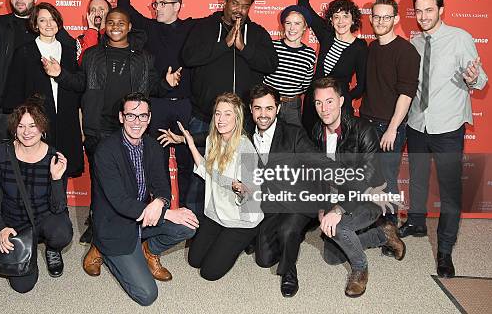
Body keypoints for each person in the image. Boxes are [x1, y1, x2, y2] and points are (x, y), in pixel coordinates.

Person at [41, 7, 181, 243]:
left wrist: (167, 84)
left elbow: (153, 87)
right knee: (101, 181)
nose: (115, 26)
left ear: (128, 27)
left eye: (121, 22)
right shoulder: (92, 54)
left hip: (132, 129)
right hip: (99, 128)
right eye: (111, 22)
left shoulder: (143, 58)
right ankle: (97, 226)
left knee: (135, 178)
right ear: (105, 26)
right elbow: (80, 83)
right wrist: (60, 74)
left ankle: (133, 224)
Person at [400, 0, 488, 278]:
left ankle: (445, 251)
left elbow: (481, 78)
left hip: (448, 126)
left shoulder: (460, 38)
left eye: (429, 10)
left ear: (441, 9)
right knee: (419, 178)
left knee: (451, 191)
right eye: (419, 11)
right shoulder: (413, 42)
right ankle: (416, 221)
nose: (423, 16)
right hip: (417, 123)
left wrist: (473, 79)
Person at [83, 93, 197, 306]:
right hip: (114, 225)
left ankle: (149, 251)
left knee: (188, 226)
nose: (137, 122)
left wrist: (159, 202)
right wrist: (168, 211)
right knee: (147, 296)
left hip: (144, 217)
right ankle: (100, 247)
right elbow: (119, 201)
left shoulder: (152, 146)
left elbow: (162, 185)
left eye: (143, 116)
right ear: (121, 117)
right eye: (131, 116)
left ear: (150, 117)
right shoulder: (105, 151)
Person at [119, 0, 198, 211]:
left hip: (185, 104)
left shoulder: (191, 27)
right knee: (156, 161)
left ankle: (188, 212)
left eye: (163, 3)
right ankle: (159, 211)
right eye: (155, 3)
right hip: (158, 103)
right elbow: (125, 9)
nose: (157, 8)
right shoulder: (149, 28)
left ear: (177, 6)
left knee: (188, 160)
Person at [311, 77, 405, 298]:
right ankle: (382, 235)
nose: (324, 109)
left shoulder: (364, 130)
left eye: (329, 101)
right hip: (338, 196)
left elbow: (368, 177)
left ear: (342, 101)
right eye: (318, 103)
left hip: (370, 197)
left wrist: (338, 209)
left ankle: (360, 269)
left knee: (339, 227)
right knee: (331, 257)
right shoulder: (317, 131)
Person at [160, 93, 262, 280]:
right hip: (215, 213)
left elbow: (253, 197)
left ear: (237, 118)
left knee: (209, 273)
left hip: (240, 220)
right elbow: (206, 171)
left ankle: (242, 242)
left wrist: (242, 190)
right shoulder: (211, 141)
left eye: (227, 114)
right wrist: (190, 143)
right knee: (194, 260)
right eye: (217, 113)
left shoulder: (245, 148)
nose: (221, 119)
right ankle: (222, 240)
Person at [245, 83, 331, 297]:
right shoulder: (246, 134)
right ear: (251, 109)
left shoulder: (293, 134)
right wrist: (185, 139)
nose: (263, 115)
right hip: (271, 202)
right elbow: (221, 136)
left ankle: (289, 272)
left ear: (278, 109)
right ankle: (293, 237)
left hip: (298, 198)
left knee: (287, 231)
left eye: (269, 108)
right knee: (263, 260)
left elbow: (321, 162)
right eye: (258, 108)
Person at [0, 99, 73, 293]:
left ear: (42, 128)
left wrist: (56, 179)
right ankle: (29, 249)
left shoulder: (54, 157)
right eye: (21, 126)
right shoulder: (2, 152)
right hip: (14, 222)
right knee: (22, 287)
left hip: (44, 218)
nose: (27, 132)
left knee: (61, 232)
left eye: (33, 125)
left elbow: (58, 208)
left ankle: (52, 249)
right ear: (14, 129)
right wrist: (0, 228)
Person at [0, 0, 74, 138]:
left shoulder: (48, 25)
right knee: (5, 159)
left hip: (40, 111)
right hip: (4, 109)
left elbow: (72, 56)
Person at [181, 0, 278, 137]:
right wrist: (224, 45)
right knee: (202, 161)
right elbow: (189, 57)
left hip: (244, 119)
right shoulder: (203, 27)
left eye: (245, 6)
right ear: (225, 2)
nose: (239, 10)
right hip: (206, 118)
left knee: (245, 162)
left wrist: (243, 48)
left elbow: (271, 64)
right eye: (235, 3)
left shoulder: (257, 33)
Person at [359, 0, 420, 228]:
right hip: (366, 123)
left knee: (387, 180)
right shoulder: (372, 47)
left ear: (395, 19)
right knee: (369, 177)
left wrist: (392, 129)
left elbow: (406, 94)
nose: (381, 21)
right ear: (371, 19)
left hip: (388, 127)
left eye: (386, 17)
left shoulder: (406, 51)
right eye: (377, 16)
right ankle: (373, 222)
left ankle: (390, 229)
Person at [4, 2, 83, 178]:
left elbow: (79, 85)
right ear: (35, 24)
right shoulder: (24, 51)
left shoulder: (69, 50)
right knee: (36, 171)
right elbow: (15, 92)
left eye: (52, 19)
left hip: (66, 120)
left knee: (62, 167)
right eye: (43, 20)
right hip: (35, 122)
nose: (49, 24)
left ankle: (60, 206)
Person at [298, 0, 368, 136]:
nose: (340, 21)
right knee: (309, 146)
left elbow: (361, 86)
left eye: (345, 16)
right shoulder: (327, 35)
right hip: (314, 104)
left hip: (338, 109)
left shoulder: (360, 47)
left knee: (335, 151)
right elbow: (303, 6)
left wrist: (342, 98)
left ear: (353, 19)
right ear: (330, 20)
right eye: (336, 17)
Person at [263, 5, 316, 126]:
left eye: (297, 23)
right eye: (288, 23)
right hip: (268, 102)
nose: (292, 28)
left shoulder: (309, 54)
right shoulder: (272, 47)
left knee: (292, 139)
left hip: (292, 106)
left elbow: (305, 85)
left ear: (305, 27)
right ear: (283, 25)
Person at [76, 0, 111, 64]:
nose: (97, 13)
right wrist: (92, 30)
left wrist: (103, 29)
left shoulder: (117, 37)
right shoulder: (81, 40)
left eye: (101, 10)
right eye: (93, 10)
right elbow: (85, 63)